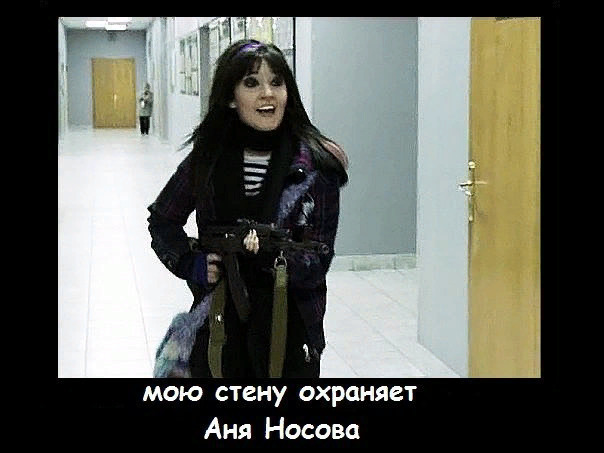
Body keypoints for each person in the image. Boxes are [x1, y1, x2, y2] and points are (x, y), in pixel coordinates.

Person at [147, 39, 348, 378]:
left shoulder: (316, 165)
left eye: (277, 82)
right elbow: (163, 221)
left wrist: (272, 257)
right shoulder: (207, 160)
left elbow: (319, 256)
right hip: (218, 321)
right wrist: (192, 263)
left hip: (291, 326)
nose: (267, 94)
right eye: (252, 83)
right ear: (231, 97)